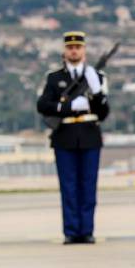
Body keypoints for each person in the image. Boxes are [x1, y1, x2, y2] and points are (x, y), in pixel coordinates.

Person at [35, 31, 109, 244]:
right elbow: (43, 105)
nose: (74, 50)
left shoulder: (97, 77)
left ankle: (86, 230)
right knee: (69, 187)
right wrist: (67, 107)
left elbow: (103, 113)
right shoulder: (54, 77)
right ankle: (70, 231)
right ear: (64, 51)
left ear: (84, 50)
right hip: (65, 135)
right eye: (70, 47)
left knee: (88, 186)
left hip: (89, 135)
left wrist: (97, 93)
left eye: (78, 47)